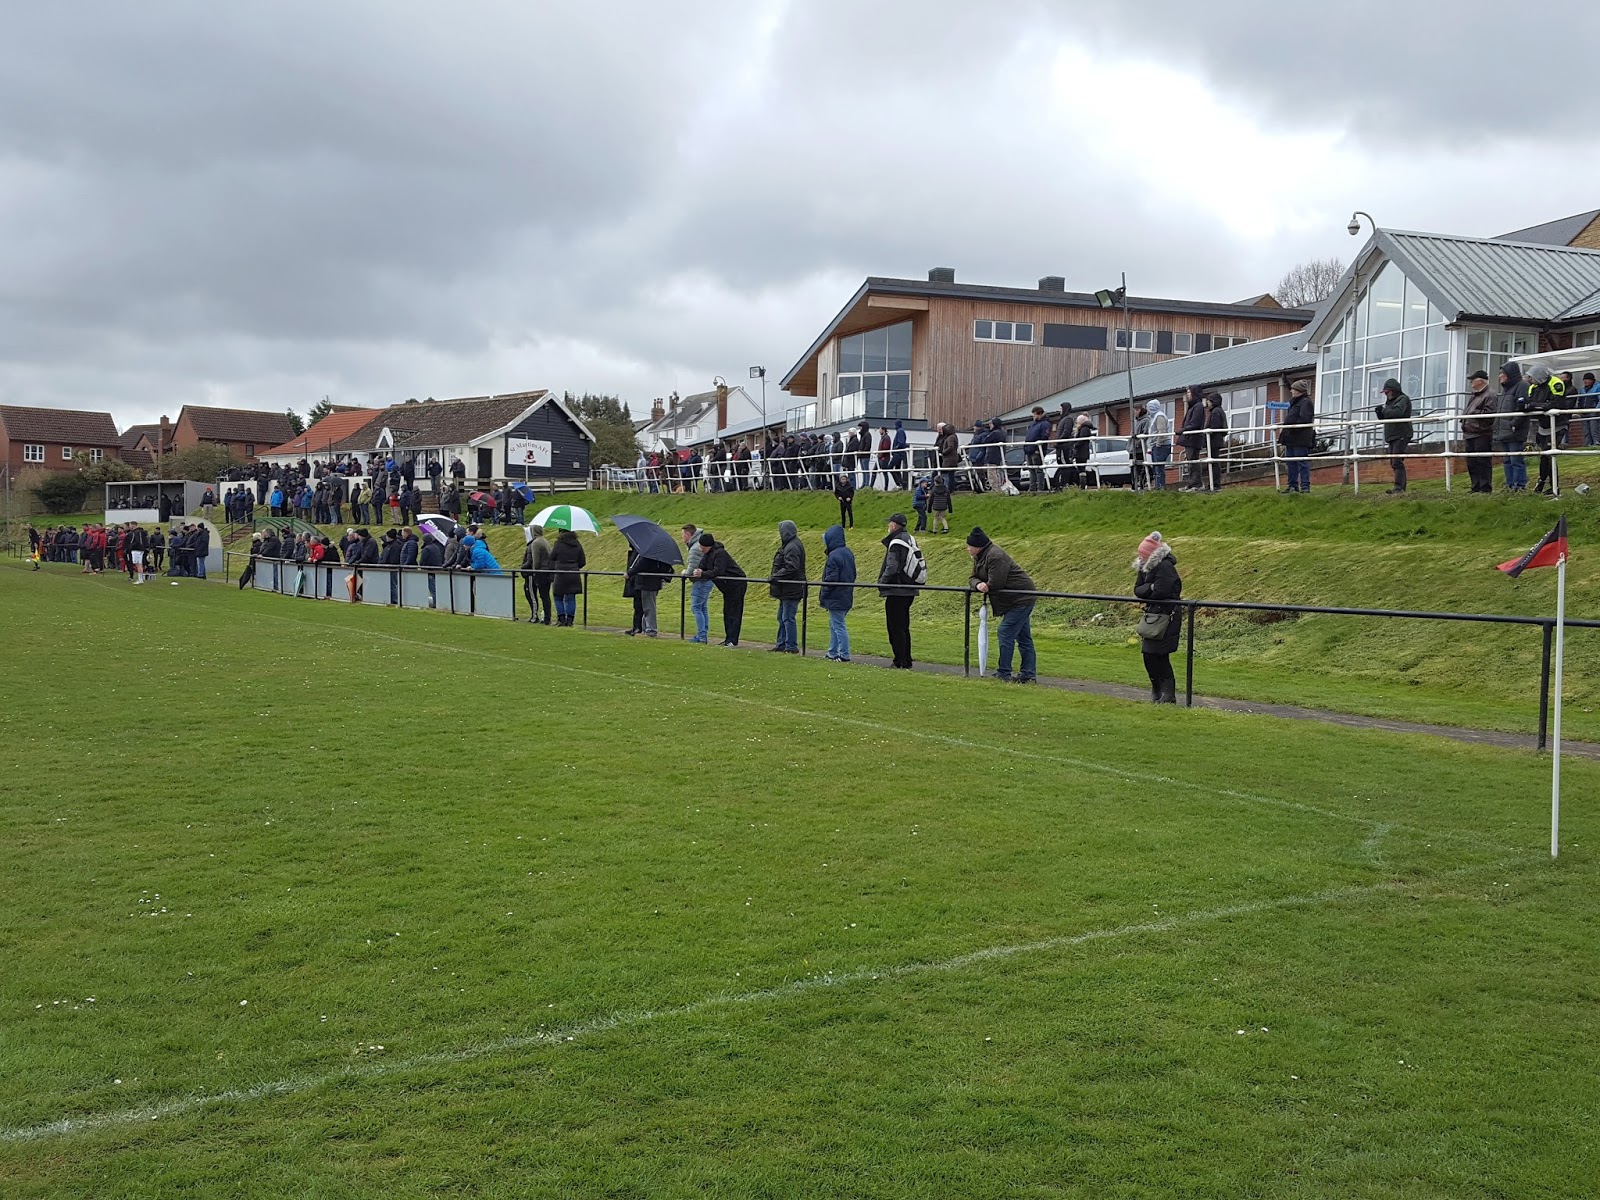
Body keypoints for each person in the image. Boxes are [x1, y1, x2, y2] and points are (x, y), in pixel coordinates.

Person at [966, 527, 1036, 683]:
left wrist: (986, 585)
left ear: (977, 547)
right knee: (1023, 637)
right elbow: (972, 577)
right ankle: (1028, 674)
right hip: (1013, 599)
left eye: (969, 546)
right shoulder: (981, 556)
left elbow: (997, 582)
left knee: (1005, 632)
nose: (967, 549)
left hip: (1021, 598)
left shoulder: (995, 555)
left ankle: (1004, 672)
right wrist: (978, 585)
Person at [1132, 531, 1183, 704]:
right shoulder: (1145, 567)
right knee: (1148, 653)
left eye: (1142, 554)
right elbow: (1137, 590)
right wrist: (1150, 587)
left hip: (1168, 615)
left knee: (1161, 654)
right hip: (1153, 615)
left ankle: (1168, 693)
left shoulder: (1165, 567)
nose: (1140, 557)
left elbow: (1161, 591)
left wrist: (1149, 589)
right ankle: (1156, 688)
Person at [878, 513, 920, 669]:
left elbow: (892, 567)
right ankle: (906, 659)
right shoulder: (909, 538)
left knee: (894, 627)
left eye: (889, 524)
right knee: (903, 626)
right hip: (908, 588)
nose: (888, 526)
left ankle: (899, 660)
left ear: (894, 525)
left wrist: (882, 582)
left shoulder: (896, 542)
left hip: (897, 589)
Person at [694, 532, 746, 646]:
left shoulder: (720, 553)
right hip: (727, 587)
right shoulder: (707, 555)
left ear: (705, 546)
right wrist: (698, 571)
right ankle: (728, 639)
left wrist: (702, 574)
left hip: (736, 585)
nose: (700, 548)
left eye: (701, 546)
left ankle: (732, 640)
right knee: (727, 612)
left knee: (734, 613)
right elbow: (703, 566)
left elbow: (718, 571)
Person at [1525, 364, 1568, 495]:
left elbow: (1555, 404)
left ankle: (1553, 486)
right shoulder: (1533, 387)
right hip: (1543, 425)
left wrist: (1535, 406)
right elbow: (1531, 404)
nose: (1530, 380)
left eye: (1532, 377)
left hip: (1557, 424)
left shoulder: (1556, 383)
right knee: (1544, 455)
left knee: (1549, 455)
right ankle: (1543, 482)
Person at [819, 524, 856, 662]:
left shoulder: (833, 556)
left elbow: (831, 580)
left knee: (838, 625)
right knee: (835, 624)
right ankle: (832, 652)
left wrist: (825, 593)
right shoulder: (847, 553)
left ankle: (844, 654)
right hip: (845, 594)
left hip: (836, 596)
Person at [769, 520, 806, 653]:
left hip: (792, 588)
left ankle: (790, 646)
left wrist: (776, 576)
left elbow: (792, 567)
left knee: (788, 617)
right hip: (787, 588)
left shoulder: (792, 547)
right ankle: (782, 643)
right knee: (782, 616)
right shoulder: (790, 545)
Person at [1493, 361, 1530, 492]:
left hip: (1515, 431)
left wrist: (1514, 424)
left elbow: (1522, 408)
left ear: (1509, 374)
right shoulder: (1506, 389)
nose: (1499, 376)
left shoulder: (1522, 386)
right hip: (1504, 430)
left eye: (1502, 373)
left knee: (1516, 460)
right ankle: (1510, 486)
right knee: (1507, 460)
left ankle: (1519, 486)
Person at [1373, 378, 1413, 494]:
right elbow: (1386, 418)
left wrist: (1384, 411)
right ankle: (1398, 487)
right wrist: (1379, 412)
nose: (1386, 395)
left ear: (1393, 390)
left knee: (1397, 461)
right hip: (1392, 436)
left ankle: (1399, 488)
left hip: (1401, 434)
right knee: (1393, 462)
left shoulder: (1403, 399)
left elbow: (1397, 413)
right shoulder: (1389, 402)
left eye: (1387, 392)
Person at [1461, 370, 1497, 494]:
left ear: (1480, 380)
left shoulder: (1490, 395)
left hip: (1481, 433)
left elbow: (1490, 415)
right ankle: (1475, 486)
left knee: (1482, 461)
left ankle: (1485, 487)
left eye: (1473, 379)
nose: (1471, 381)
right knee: (1471, 462)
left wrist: (1474, 414)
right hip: (1470, 433)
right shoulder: (1474, 395)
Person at [1278, 380, 1315, 493]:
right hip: (1292, 438)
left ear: (1299, 390)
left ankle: (1305, 486)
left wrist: (1292, 428)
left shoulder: (1305, 402)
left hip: (1300, 438)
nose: (1291, 391)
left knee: (1301, 461)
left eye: (1293, 389)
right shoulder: (1294, 402)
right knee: (1291, 462)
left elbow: (1305, 419)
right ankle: (1292, 485)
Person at [548, 528, 586, 625]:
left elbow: (551, 557)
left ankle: (561, 619)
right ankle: (570, 620)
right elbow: (582, 561)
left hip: (560, 573)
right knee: (571, 597)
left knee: (558, 597)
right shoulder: (577, 544)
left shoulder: (558, 544)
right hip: (573, 573)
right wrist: (574, 566)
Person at [683, 524, 711, 642]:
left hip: (701, 581)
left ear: (688, 534)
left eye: (683, 534)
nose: (682, 537)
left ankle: (701, 635)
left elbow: (693, 566)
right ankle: (703, 633)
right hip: (707, 580)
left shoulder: (694, 548)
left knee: (696, 608)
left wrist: (685, 572)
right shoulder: (697, 545)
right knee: (702, 607)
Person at [1178, 386, 1207, 490]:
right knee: (1190, 462)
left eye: (1189, 392)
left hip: (1194, 439)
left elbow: (1194, 423)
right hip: (1190, 439)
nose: (1188, 395)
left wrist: (1183, 430)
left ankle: (1196, 484)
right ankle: (1192, 483)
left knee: (1193, 462)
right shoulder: (1194, 406)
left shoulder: (1198, 407)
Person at [524, 525, 553, 624]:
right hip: (548, 571)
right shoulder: (545, 541)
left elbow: (536, 561)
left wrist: (534, 571)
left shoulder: (535, 543)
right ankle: (547, 617)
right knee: (546, 595)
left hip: (541, 572)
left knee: (543, 595)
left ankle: (547, 618)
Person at [1144, 398, 1172, 490]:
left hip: (1161, 446)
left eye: (1148, 407)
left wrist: (1158, 444)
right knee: (1156, 467)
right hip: (1156, 446)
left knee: (1158, 467)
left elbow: (1162, 431)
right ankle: (1159, 486)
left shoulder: (1159, 416)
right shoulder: (1154, 417)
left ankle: (1160, 487)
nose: (1147, 409)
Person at [1025, 406, 1053, 493]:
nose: (1033, 417)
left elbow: (1044, 437)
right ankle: (1032, 488)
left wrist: (1038, 448)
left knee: (1038, 469)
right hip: (1029, 449)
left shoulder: (1045, 424)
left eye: (1034, 414)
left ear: (1039, 414)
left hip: (1036, 450)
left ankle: (1040, 488)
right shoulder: (1033, 424)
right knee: (1031, 469)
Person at [1204, 393, 1229, 491]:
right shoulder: (1219, 411)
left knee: (1214, 463)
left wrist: (1206, 436)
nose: (1207, 403)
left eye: (1209, 401)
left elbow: (1214, 428)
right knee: (1214, 462)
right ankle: (1213, 484)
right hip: (1216, 441)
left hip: (1214, 441)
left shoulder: (1215, 412)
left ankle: (1215, 484)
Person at [935, 421, 961, 495]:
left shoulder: (950, 438)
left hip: (949, 459)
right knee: (951, 475)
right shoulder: (954, 436)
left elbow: (950, 447)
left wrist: (943, 452)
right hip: (953, 459)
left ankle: (947, 489)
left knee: (947, 475)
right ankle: (950, 489)